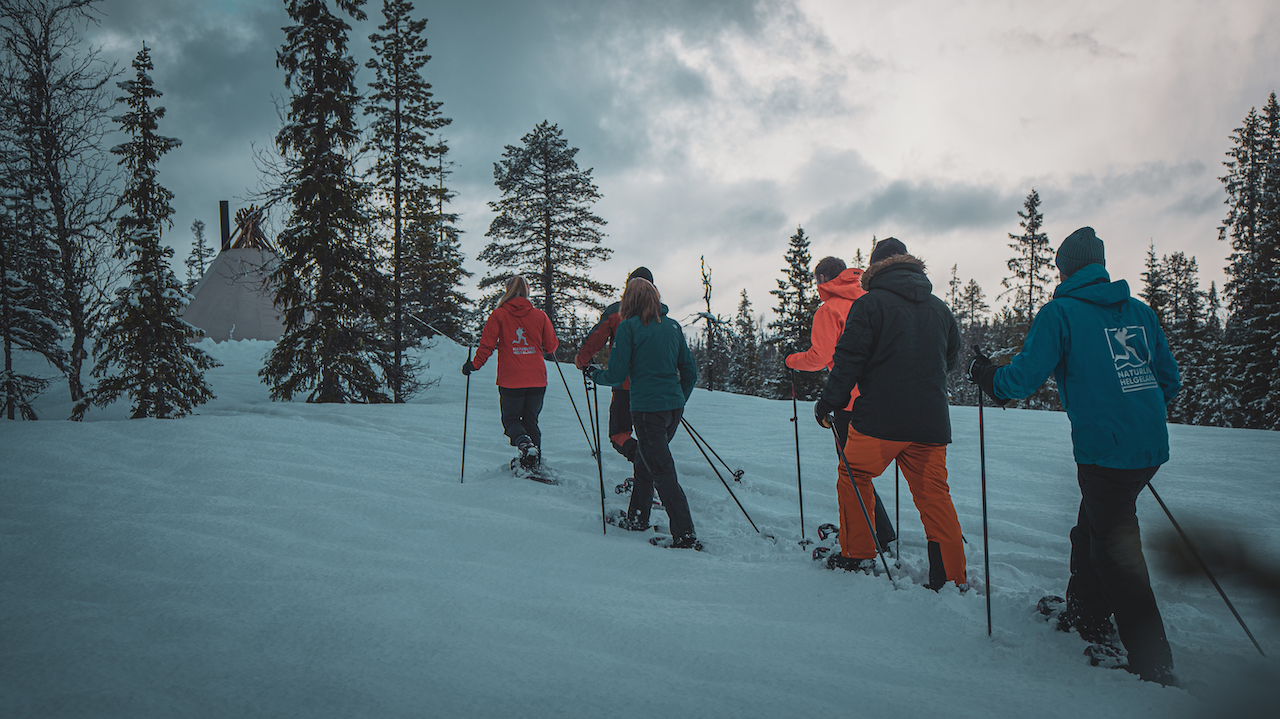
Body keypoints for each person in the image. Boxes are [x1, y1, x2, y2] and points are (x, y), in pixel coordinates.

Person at [968, 227, 1181, 686]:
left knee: (1115, 552)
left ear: (1065, 269)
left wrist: (984, 374)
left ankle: (1153, 664)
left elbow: (1020, 381)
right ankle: (1086, 614)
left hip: (1106, 454)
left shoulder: (1061, 312)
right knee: (1093, 530)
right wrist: (1135, 418)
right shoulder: (1139, 312)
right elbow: (1169, 379)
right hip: (1146, 448)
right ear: (1099, 265)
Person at [814, 238, 966, 590]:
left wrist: (829, 401)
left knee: (853, 474)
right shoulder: (939, 308)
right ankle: (950, 575)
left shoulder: (869, 305)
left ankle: (857, 553)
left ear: (875, 268)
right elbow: (950, 360)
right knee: (935, 496)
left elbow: (849, 359)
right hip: (930, 421)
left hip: (880, 421)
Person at [785, 256, 897, 551]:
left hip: (849, 401)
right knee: (859, 471)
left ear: (822, 279)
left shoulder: (829, 310)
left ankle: (866, 537)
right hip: (882, 396)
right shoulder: (869, 301)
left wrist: (791, 360)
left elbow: (820, 357)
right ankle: (879, 531)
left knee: (851, 472)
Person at [588, 277, 700, 548]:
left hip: (647, 410)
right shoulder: (672, 326)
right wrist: (679, 399)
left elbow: (616, 374)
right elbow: (690, 372)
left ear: (630, 300)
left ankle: (684, 535)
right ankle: (638, 517)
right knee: (646, 462)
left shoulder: (629, 327)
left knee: (662, 472)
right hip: (672, 409)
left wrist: (595, 374)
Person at [463, 276, 559, 470]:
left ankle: (525, 445)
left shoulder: (499, 315)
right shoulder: (539, 315)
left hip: (511, 380)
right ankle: (534, 461)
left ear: (507, 290)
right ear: (527, 290)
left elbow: (487, 345)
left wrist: (474, 365)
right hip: (537, 379)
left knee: (511, 420)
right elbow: (551, 346)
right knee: (531, 421)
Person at [575, 267, 654, 488]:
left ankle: (646, 473)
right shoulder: (659, 315)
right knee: (650, 437)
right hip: (655, 388)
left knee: (619, 434)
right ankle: (648, 475)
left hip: (625, 386)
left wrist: (583, 360)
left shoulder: (617, 312)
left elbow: (595, 338)